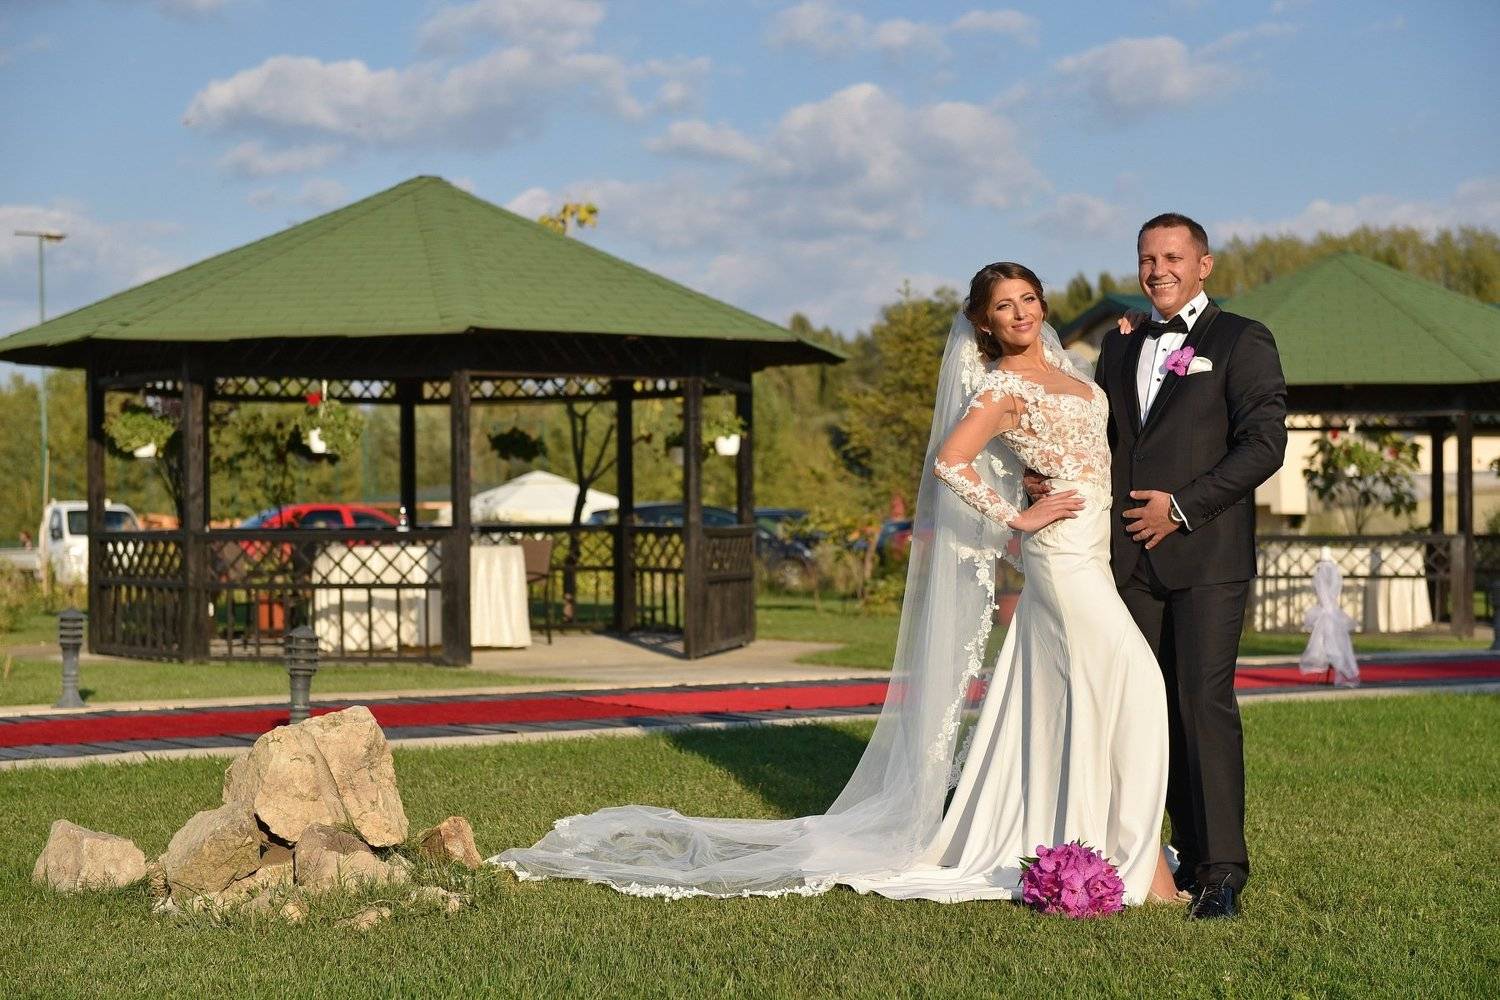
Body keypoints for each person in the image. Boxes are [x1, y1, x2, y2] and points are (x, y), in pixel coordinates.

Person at [493, 261, 1180, 908]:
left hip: (1095, 550)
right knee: (1138, 685)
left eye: (1028, 299)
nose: (1021, 312)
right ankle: (1137, 862)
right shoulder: (1000, 386)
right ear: (984, 322)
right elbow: (950, 461)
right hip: (1060, 556)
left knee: (1092, 699)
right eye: (1004, 306)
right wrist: (1020, 515)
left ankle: (1114, 851)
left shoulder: (1069, 367)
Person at [1031, 213, 1287, 919]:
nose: (1158, 269)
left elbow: (1264, 445)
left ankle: (1223, 870)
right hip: (1128, 563)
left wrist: (1182, 508)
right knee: (1145, 711)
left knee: (1202, 705)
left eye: (1173, 256)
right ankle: (1159, 851)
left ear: (1204, 264)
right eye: (1148, 257)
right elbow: (1101, 439)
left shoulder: (1242, 341)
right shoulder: (1120, 346)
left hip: (1207, 557)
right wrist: (1047, 476)